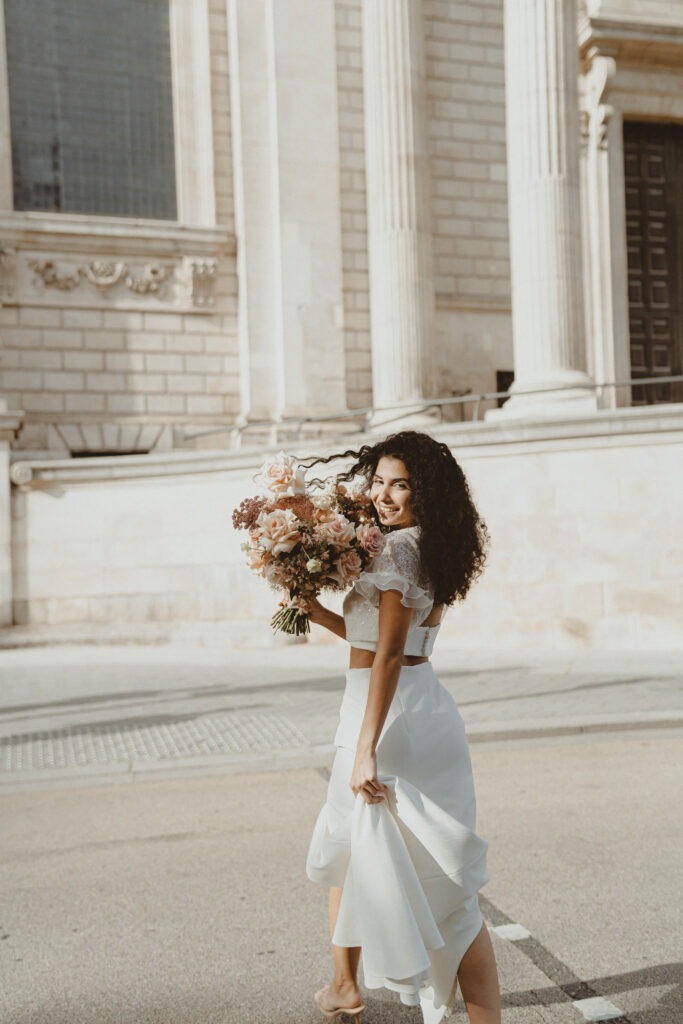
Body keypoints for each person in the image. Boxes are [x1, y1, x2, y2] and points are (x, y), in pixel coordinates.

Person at [304, 431, 501, 1024]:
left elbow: (388, 655)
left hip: (386, 716)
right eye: (380, 481)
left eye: (401, 485)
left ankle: (353, 987)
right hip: (418, 706)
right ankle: (344, 986)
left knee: (414, 872)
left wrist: (365, 750)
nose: (384, 495)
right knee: (376, 853)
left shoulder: (394, 553)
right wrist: (313, 611)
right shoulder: (428, 545)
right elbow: (384, 642)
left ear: (425, 493)